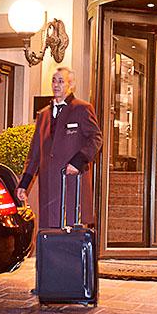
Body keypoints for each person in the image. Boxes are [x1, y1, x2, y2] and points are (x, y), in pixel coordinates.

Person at [16, 67, 102, 230]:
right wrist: (24, 184)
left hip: (71, 184)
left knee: (70, 231)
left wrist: (78, 162)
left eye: (61, 81)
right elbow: (35, 153)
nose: (56, 85)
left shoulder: (82, 109)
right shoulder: (43, 115)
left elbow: (96, 138)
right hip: (49, 187)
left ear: (71, 85)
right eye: (54, 81)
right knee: (49, 231)